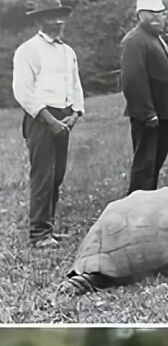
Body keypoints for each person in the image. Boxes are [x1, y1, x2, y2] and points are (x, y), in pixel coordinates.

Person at [12, 0, 84, 249]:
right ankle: (39, 233)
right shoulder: (27, 51)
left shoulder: (68, 52)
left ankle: (48, 227)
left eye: (61, 16)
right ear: (38, 20)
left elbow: (75, 85)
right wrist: (49, 120)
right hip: (41, 119)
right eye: (52, 17)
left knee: (57, 175)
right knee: (43, 175)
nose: (58, 22)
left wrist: (75, 114)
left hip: (64, 117)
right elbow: (23, 91)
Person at [120, 0, 168, 194]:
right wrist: (147, 113)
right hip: (150, 116)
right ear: (140, 16)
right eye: (151, 13)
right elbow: (133, 80)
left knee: (155, 164)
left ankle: (148, 205)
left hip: (165, 112)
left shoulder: (154, 38)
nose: (158, 17)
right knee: (145, 166)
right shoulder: (134, 40)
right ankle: (136, 209)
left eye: (161, 13)